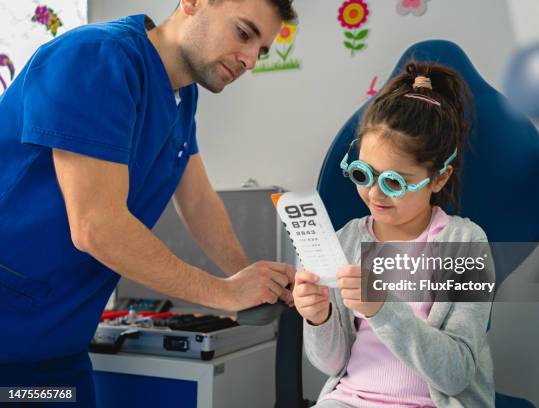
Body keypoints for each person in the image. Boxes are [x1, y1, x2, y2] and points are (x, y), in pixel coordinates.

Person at [0, 0, 297, 405]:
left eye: (261, 50)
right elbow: (95, 227)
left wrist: (253, 280)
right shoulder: (96, 58)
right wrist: (225, 294)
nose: (249, 60)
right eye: (244, 33)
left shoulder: (182, 97)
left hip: (57, 342)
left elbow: (197, 202)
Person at [293, 62, 495, 407]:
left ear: (439, 178)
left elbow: (456, 373)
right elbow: (331, 364)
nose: (374, 193)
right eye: (363, 174)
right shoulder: (347, 241)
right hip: (351, 399)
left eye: (394, 182)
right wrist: (319, 318)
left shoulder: (465, 245)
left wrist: (383, 308)